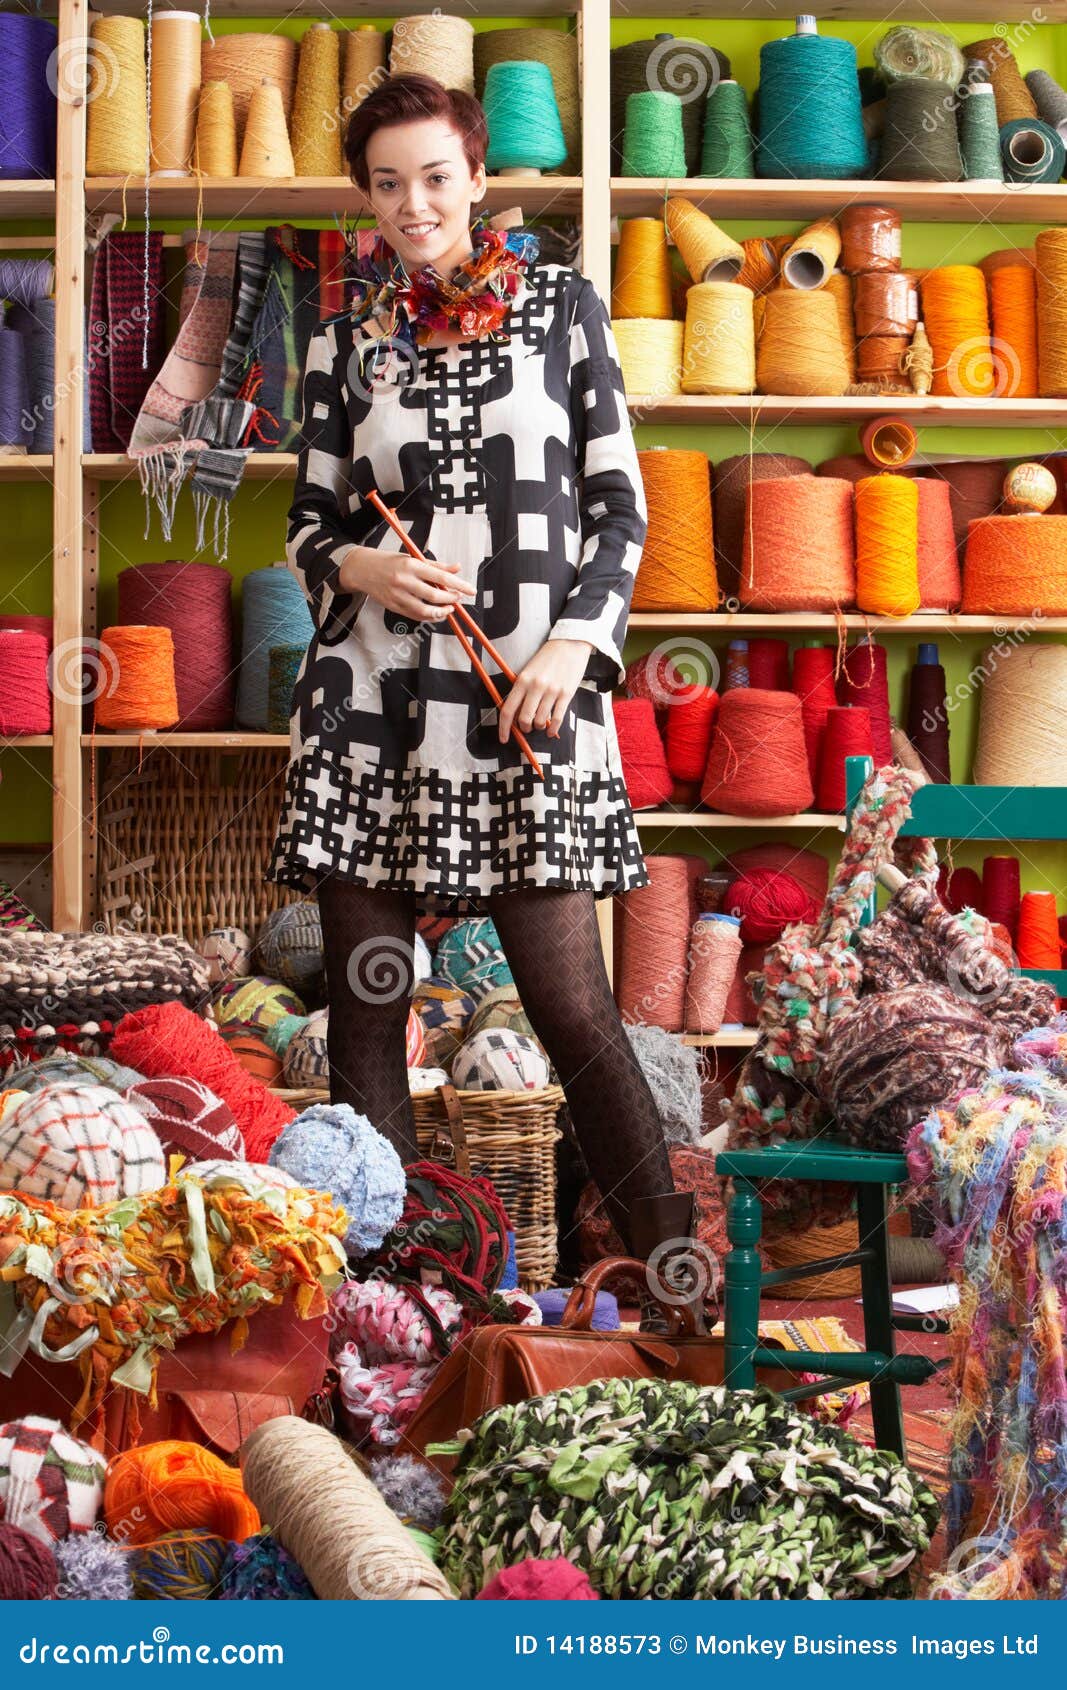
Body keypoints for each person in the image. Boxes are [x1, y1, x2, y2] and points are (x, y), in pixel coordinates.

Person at [265, 72, 705, 1322]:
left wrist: (577, 644)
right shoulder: (347, 334)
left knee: (572, 1005)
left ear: (476, 176)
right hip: (374, 698)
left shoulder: (563, 307)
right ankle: (392, 1302)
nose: (414, 205)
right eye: (388, 184)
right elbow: (309, 521)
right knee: (369, 1004)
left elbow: (621, 505)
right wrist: (361, 563)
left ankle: (671, 1276)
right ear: (368, 195)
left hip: (530, 703)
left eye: (435, 177)